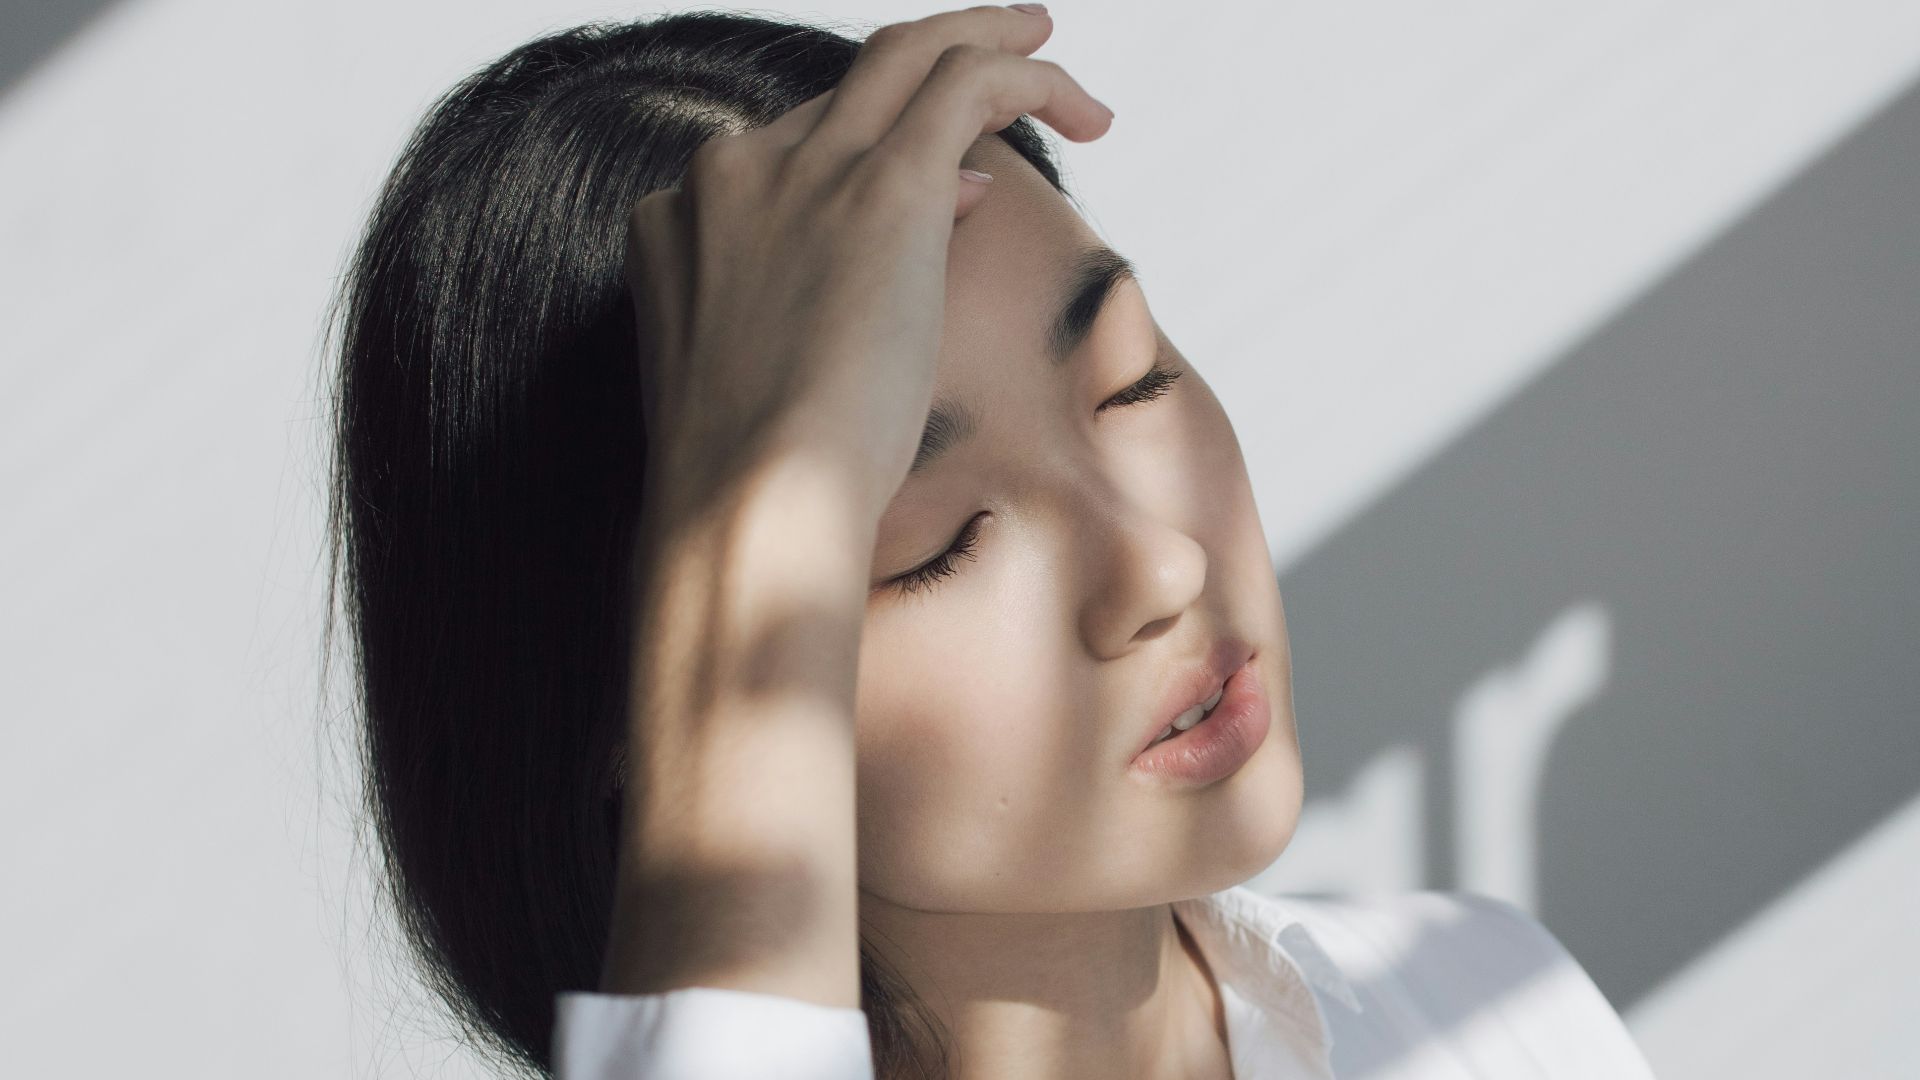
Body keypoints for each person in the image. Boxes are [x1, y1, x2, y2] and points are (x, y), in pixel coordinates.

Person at [323, 5, 1659, 1078]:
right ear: (637, 700)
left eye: (1135, 380)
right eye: (933, 542)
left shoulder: (1486, 1013)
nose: (1160, 567)